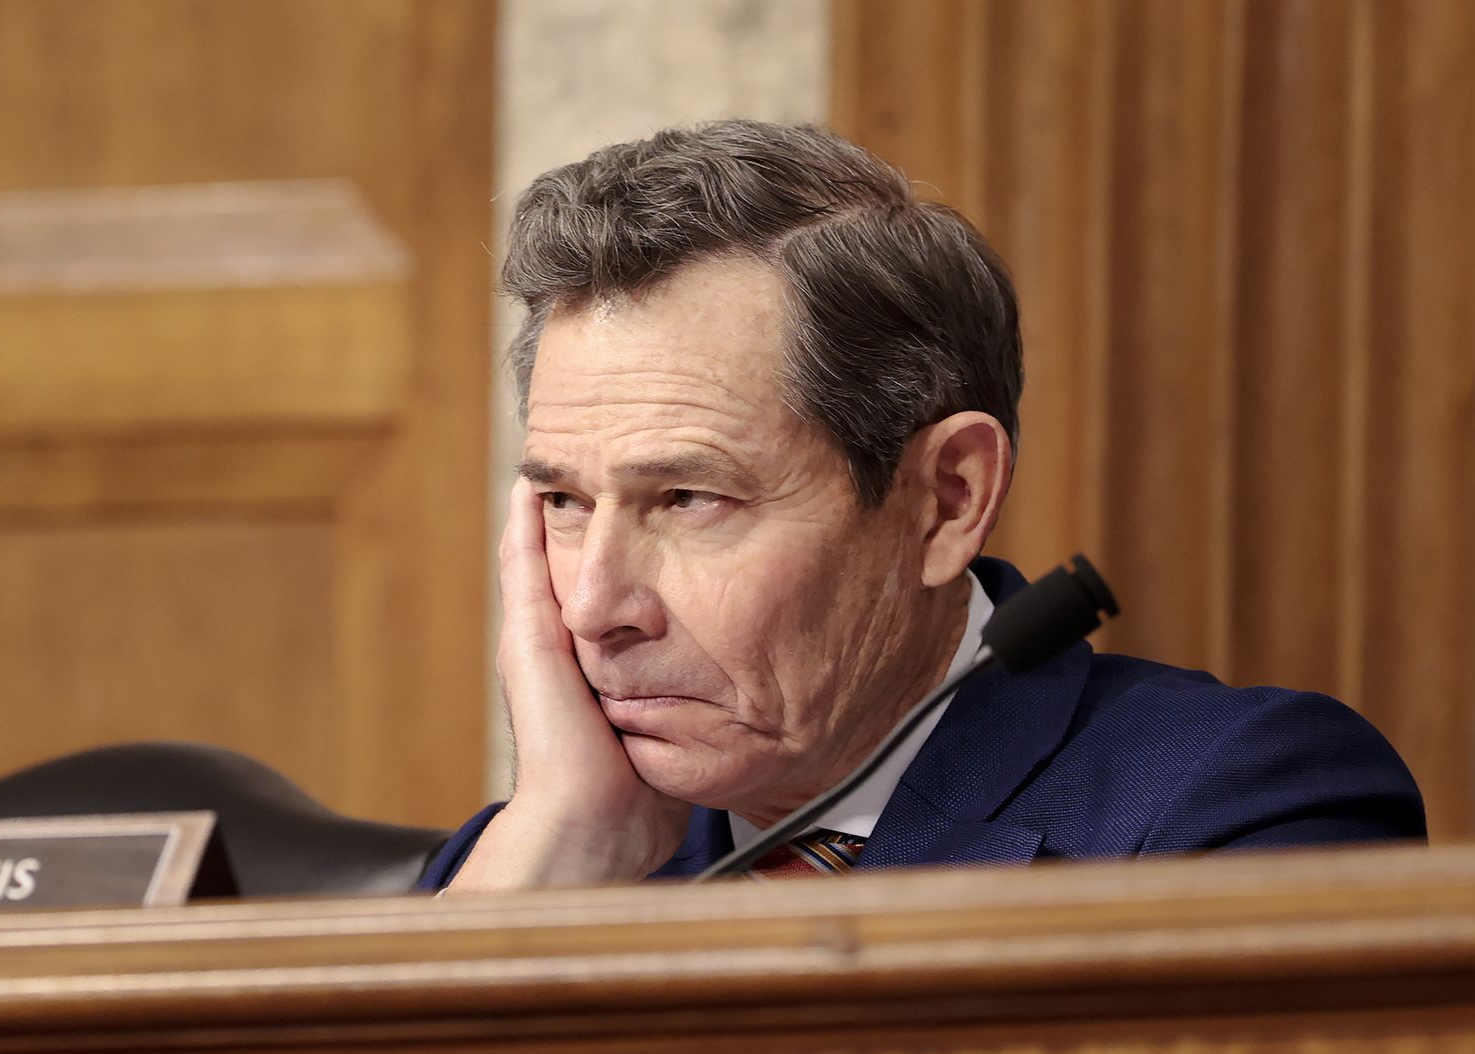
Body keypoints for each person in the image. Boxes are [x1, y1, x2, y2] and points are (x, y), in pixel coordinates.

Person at [422, 120, 1423, 892]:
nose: (595, 606)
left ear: (948, 499)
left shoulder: (1232, 809)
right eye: (561, 499)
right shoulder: (526, 861)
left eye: (686, 499)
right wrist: (549, 856)